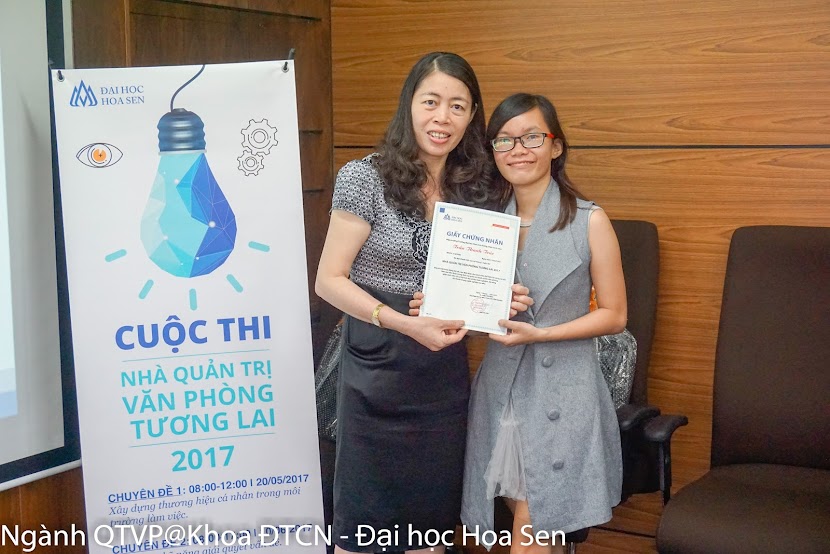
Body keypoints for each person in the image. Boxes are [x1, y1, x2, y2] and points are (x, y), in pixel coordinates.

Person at [314, 52, 506, 554]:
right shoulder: (364, 178)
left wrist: (501, 298)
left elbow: (476, 284)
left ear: (472, 115)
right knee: (362, 532)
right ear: (410, 104)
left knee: (428, 532)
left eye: (457, 106)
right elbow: (329, 281)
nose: (443, 117)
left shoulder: (478, 186)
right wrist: (402, 322)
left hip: (441, 378)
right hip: (375, 369)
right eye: (431, 101)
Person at [460, 93, 626, 554]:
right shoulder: (481, 227)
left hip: (563, 392)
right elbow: (472, 312)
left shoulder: (590, 221)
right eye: (504, 140)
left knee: (533, 520)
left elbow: (615, 315)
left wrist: (542, 333)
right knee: (527, 514)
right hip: (503, 389)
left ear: (556, 146)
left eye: (531, 137)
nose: (518, 149)